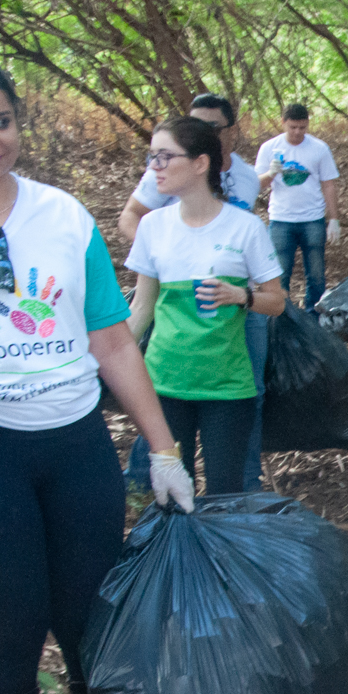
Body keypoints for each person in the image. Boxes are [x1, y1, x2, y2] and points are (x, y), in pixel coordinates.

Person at [0, 67, 194, 694]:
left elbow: (111, 341)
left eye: (4, 119)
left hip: (75, 442)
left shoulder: (64, 218)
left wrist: (165, 449)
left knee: (92, 620)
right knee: (11, 623)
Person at [117, 93, 277, 492]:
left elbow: (277, 301)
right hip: (165, 383)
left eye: (165, 157)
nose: (155, 167)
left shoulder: (245, 227)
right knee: (172, 496)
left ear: (200, 164)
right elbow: (141, 308)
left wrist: (242, 297)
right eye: (152, 156)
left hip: (226, 385)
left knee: (225, 495)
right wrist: (107, 364)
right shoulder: (153, 227)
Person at [255, 103, 341, 310]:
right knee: (279, 273)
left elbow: (328, 184)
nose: (297, 132)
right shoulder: (270, 148)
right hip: (281, 219)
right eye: (293, 127)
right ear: (283, 123)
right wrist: (271, 173)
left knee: (317, 274)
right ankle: (281, 317)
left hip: (312, 218)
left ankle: (314, 316)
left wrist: (334, 219)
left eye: (302, 127)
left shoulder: (319, 148)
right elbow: (256, 184)